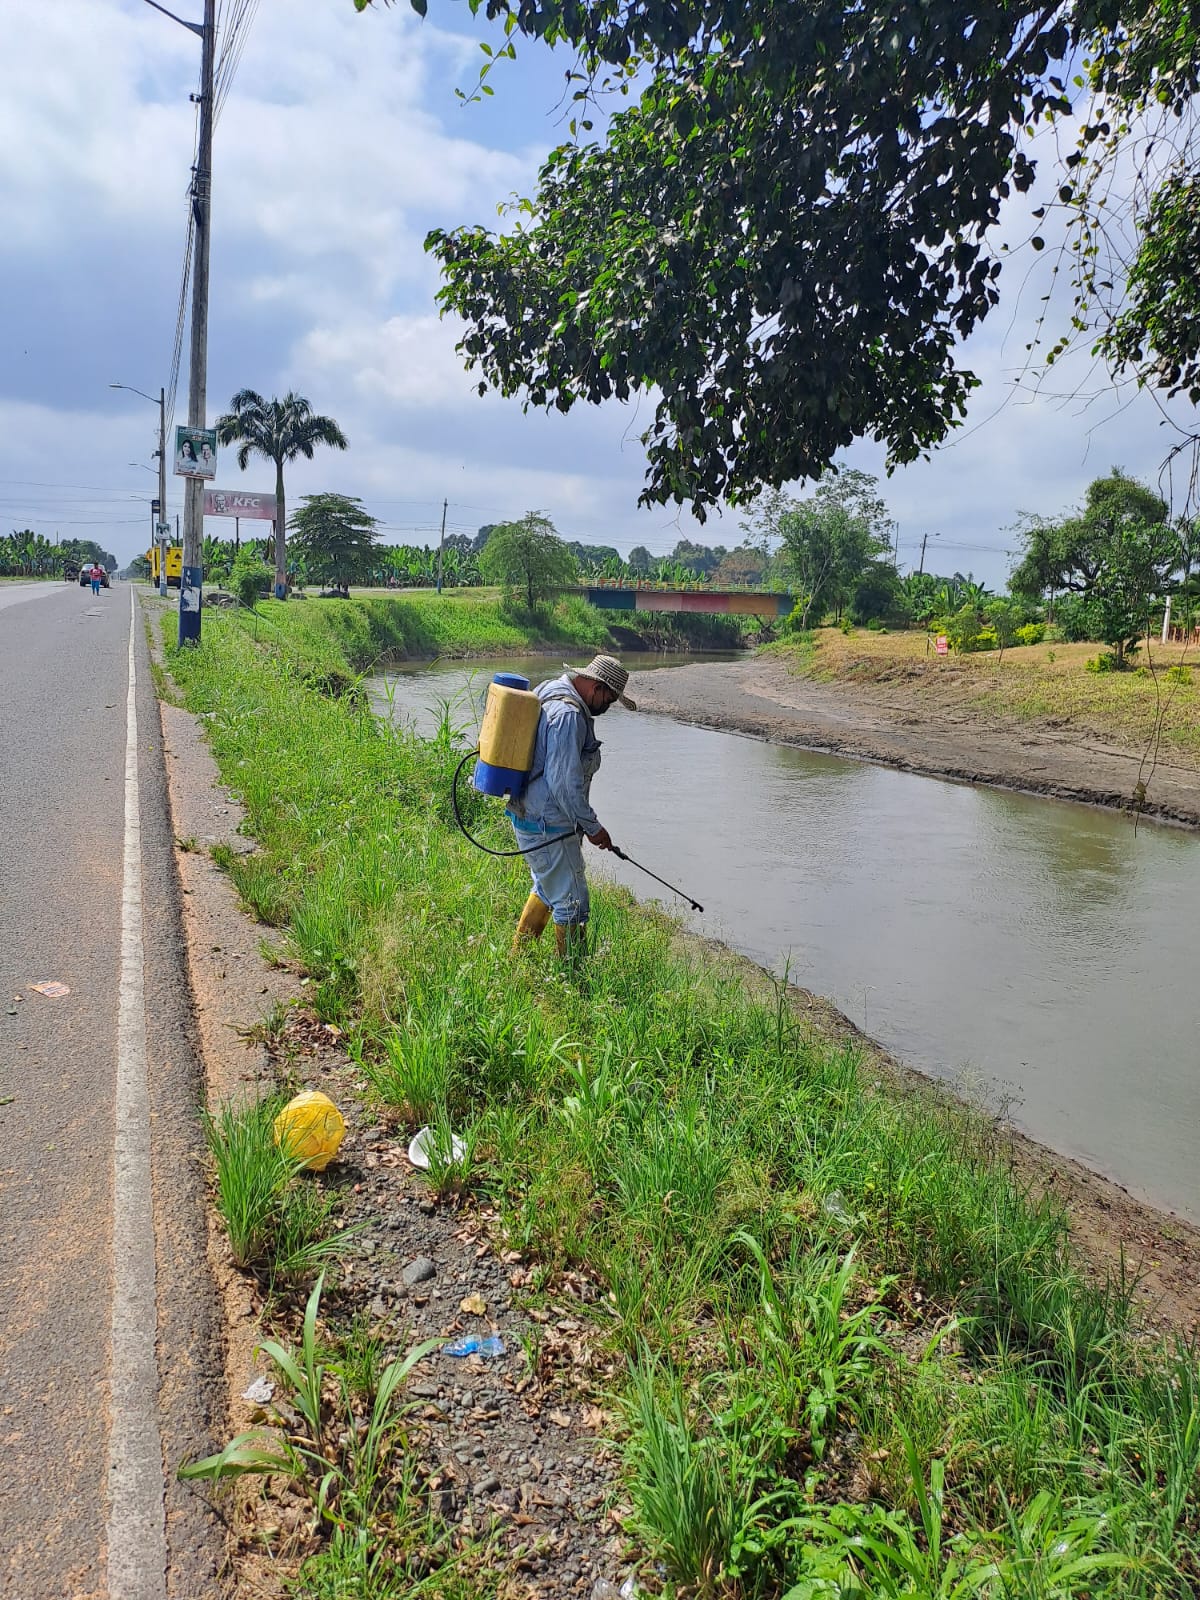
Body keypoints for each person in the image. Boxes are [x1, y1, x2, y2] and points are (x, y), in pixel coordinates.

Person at [506, 654, 636, 963]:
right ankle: (573, 977)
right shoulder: (568, 716)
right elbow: (564, 784)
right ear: (596, 687)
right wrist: (593, 828)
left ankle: (519, 960)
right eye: (610, 699)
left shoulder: (549, 689)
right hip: (547, 824)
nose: (608, 707)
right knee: (573, 904)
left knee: (548, 887)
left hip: (531, 816)